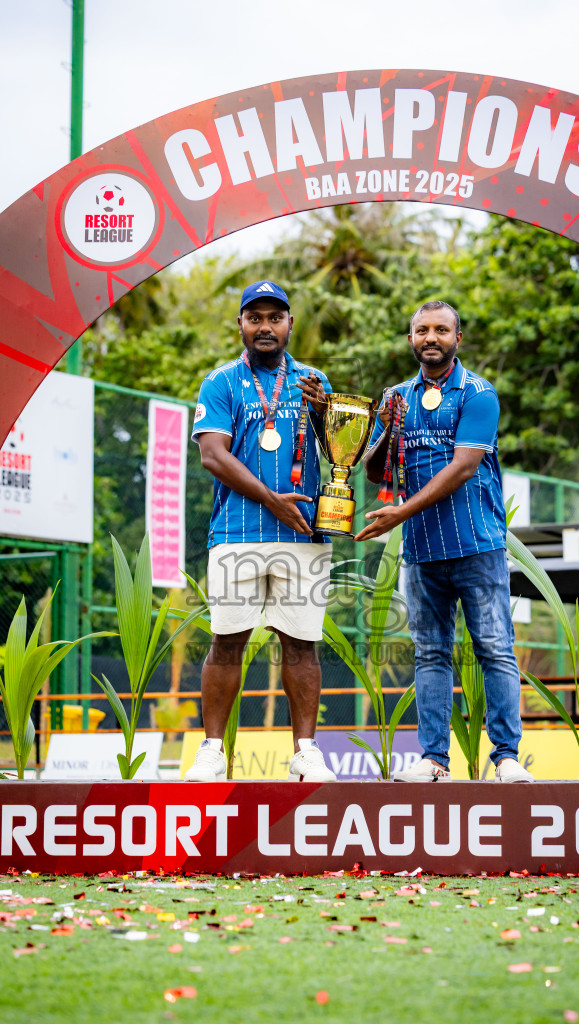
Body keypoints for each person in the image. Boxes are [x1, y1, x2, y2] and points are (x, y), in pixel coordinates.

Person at [356, 300, 532, 783]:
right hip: (422, 553)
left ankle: (506, 758)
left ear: (458, 338)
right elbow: (374, 472)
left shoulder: (478, 393)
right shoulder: (396, 397)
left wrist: (400, 514)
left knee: (494, 649)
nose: (430, 338)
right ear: (411, 338)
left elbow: (463, 467)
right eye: (421, 330)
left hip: (478, 545)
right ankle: (434, 761)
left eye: (440, 329)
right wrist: (386, 431)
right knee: (430, 655)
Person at [185, 280, 336, 783]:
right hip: (237, 532)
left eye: (275, 317)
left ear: (290, 323)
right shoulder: (220, 382)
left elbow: (340, 453)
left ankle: (306, 752)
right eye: (255, 318)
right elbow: (213, 455)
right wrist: (272, 500)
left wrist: (325, 413)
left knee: (302, 644)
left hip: (302, 535)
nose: (265, 327)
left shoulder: (314, 381)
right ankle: (211, 751)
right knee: (227, 642)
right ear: (241, 325)